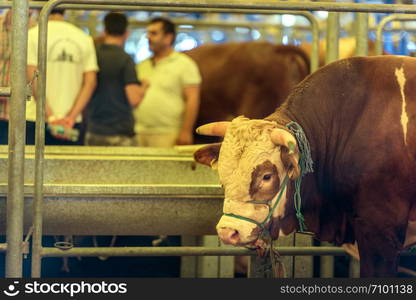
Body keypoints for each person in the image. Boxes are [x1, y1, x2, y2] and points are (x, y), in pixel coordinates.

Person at [26, 8, 98, 145]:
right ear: (64, 9)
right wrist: (71, 117)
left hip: (36, 119)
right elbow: (91, 82)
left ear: (39, 8)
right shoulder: (83, 37)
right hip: (71, 123)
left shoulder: (32, 35)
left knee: (33, 166)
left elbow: (33, 78)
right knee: (68, 166)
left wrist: (52, 118)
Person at [134, 17, 201, 147]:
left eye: (153, 33)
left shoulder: (185, 64)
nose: (148, 37)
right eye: (147, 33)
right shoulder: (141, 65)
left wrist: (186, 132)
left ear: (168, 37)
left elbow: (193, 99)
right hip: (139, 132)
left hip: (168, 134)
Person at [85, 12, 147, 146]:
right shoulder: (125, 59)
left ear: (105, 31)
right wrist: (144, 87)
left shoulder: (93, 54)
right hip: (120, 133)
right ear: (126, 33)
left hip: (94, 130)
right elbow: (134, 99)